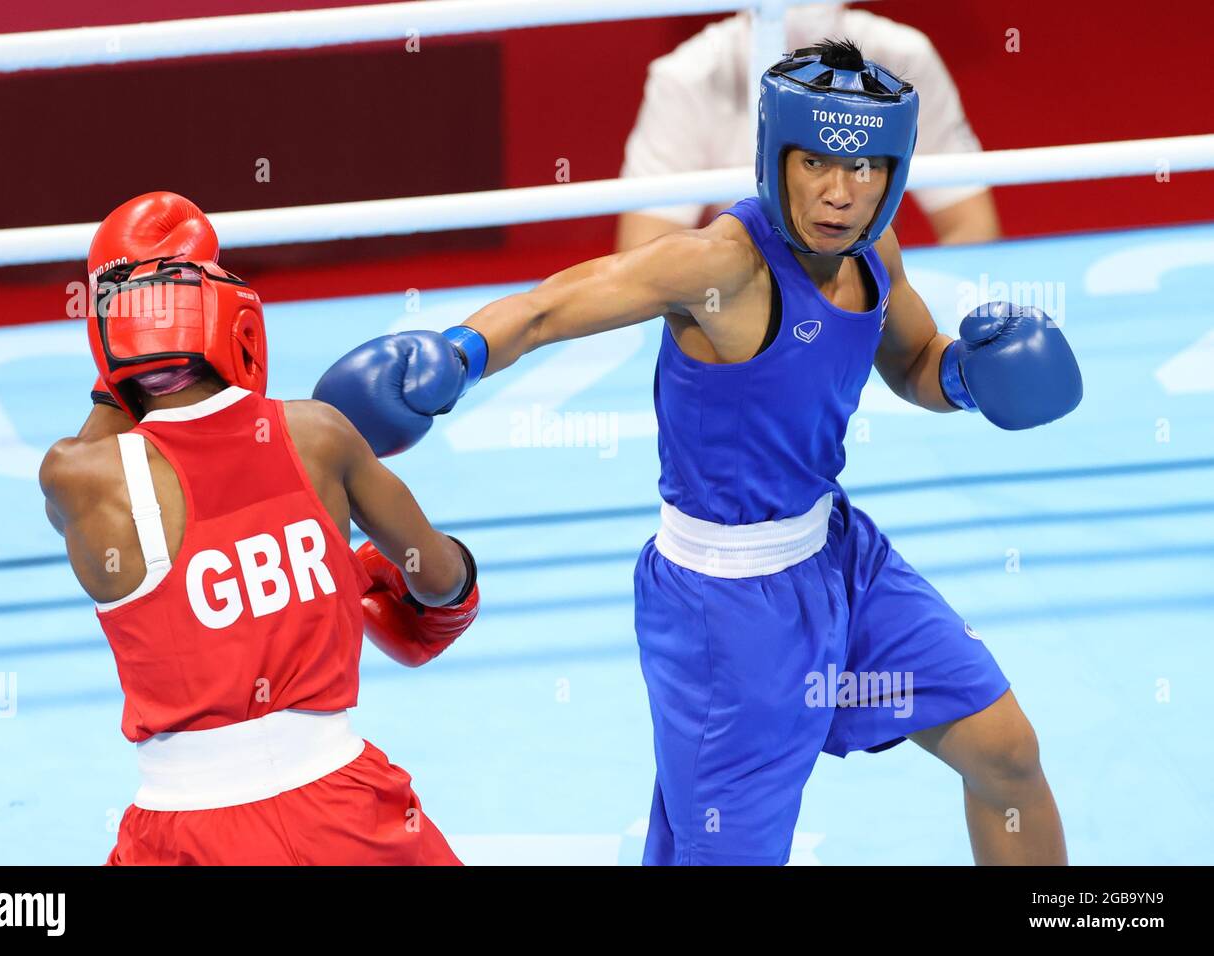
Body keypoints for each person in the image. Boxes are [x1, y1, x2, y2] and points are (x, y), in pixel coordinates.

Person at [314, 41, 1082, 865]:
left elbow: (913, 358)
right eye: (817, 160)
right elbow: (551, 306)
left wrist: (968, 377)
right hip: (727, 619)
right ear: (774, 156)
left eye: (863, 167)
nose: (839, 191)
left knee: (1005, 754)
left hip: (844, 567)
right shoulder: (721, 265)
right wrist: (458, 354)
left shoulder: (874, 253)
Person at [39, 192, 478, 865]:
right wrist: (400, 579)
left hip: (182, 834)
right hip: (346, 809)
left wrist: (121, 312)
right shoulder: (319, 433)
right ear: (238, 326)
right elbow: (443, 583)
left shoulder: (80, 479)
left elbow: (103, 439)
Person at [617, 6, 1000, 251]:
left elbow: (970, 225)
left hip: (862, 277)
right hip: (740, 284)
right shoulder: (689, 75)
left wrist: (895, 315)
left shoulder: (903, 59)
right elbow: (645, 249)